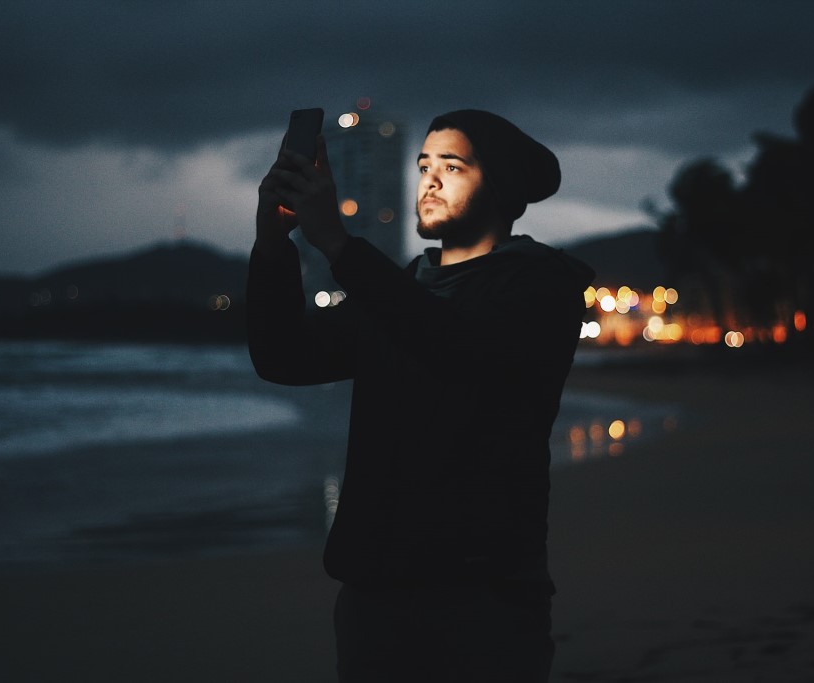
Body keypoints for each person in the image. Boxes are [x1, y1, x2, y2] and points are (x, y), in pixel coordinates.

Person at [247, 108, 595, 682]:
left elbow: (456, 347)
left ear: (502, 187)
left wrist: (338, 242)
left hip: (481, 594)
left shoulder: (540, 285)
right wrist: (271, 244)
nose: (429, 180)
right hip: (375, 590)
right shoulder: (404, 290)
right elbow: (284, 357)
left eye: (452, 166)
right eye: (424, 164)